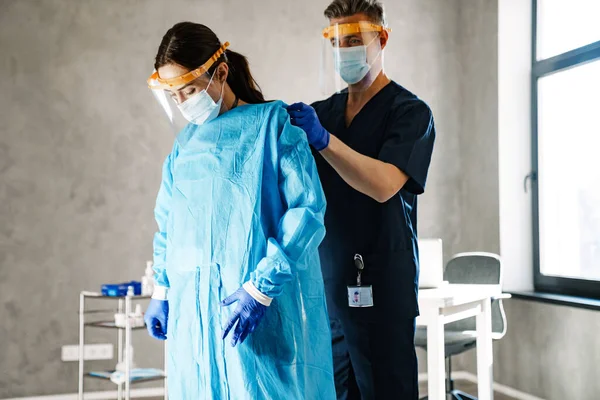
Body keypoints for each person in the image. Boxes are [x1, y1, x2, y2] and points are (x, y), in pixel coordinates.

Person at [143, 22, 336, 399]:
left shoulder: (273, 125)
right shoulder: (185, 146)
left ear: (222, 72)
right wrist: (162, 289)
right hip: (194, 317)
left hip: (258, 311)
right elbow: (169, 222)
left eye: (190, 90)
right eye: (175, 95)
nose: (184, 102)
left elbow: (306, 212)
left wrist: (259, 289)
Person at [287, 1, 436, 399]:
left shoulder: (411, 113)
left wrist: (325, 141)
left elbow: (385, 184)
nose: (345, 51)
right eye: (338, 42)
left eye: (354, 40)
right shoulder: (325, 112)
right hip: (332, 287)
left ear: (381, 38)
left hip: (384, 286)